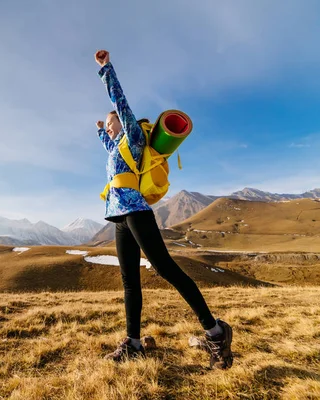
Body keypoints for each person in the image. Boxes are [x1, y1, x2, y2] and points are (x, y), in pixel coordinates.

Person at [94, 49, 233, 369]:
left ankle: (215, 332)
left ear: (124, 123)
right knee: (129, 280)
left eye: (115, 123)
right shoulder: (114, 145)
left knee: (166, 269)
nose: (113, 127)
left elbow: (121, 103)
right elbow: (107, 142)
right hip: (117, 216)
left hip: (136, 212)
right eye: (112, 127)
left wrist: (106, 70)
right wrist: (101, 129)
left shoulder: (133, 137)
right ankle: (133, 343)